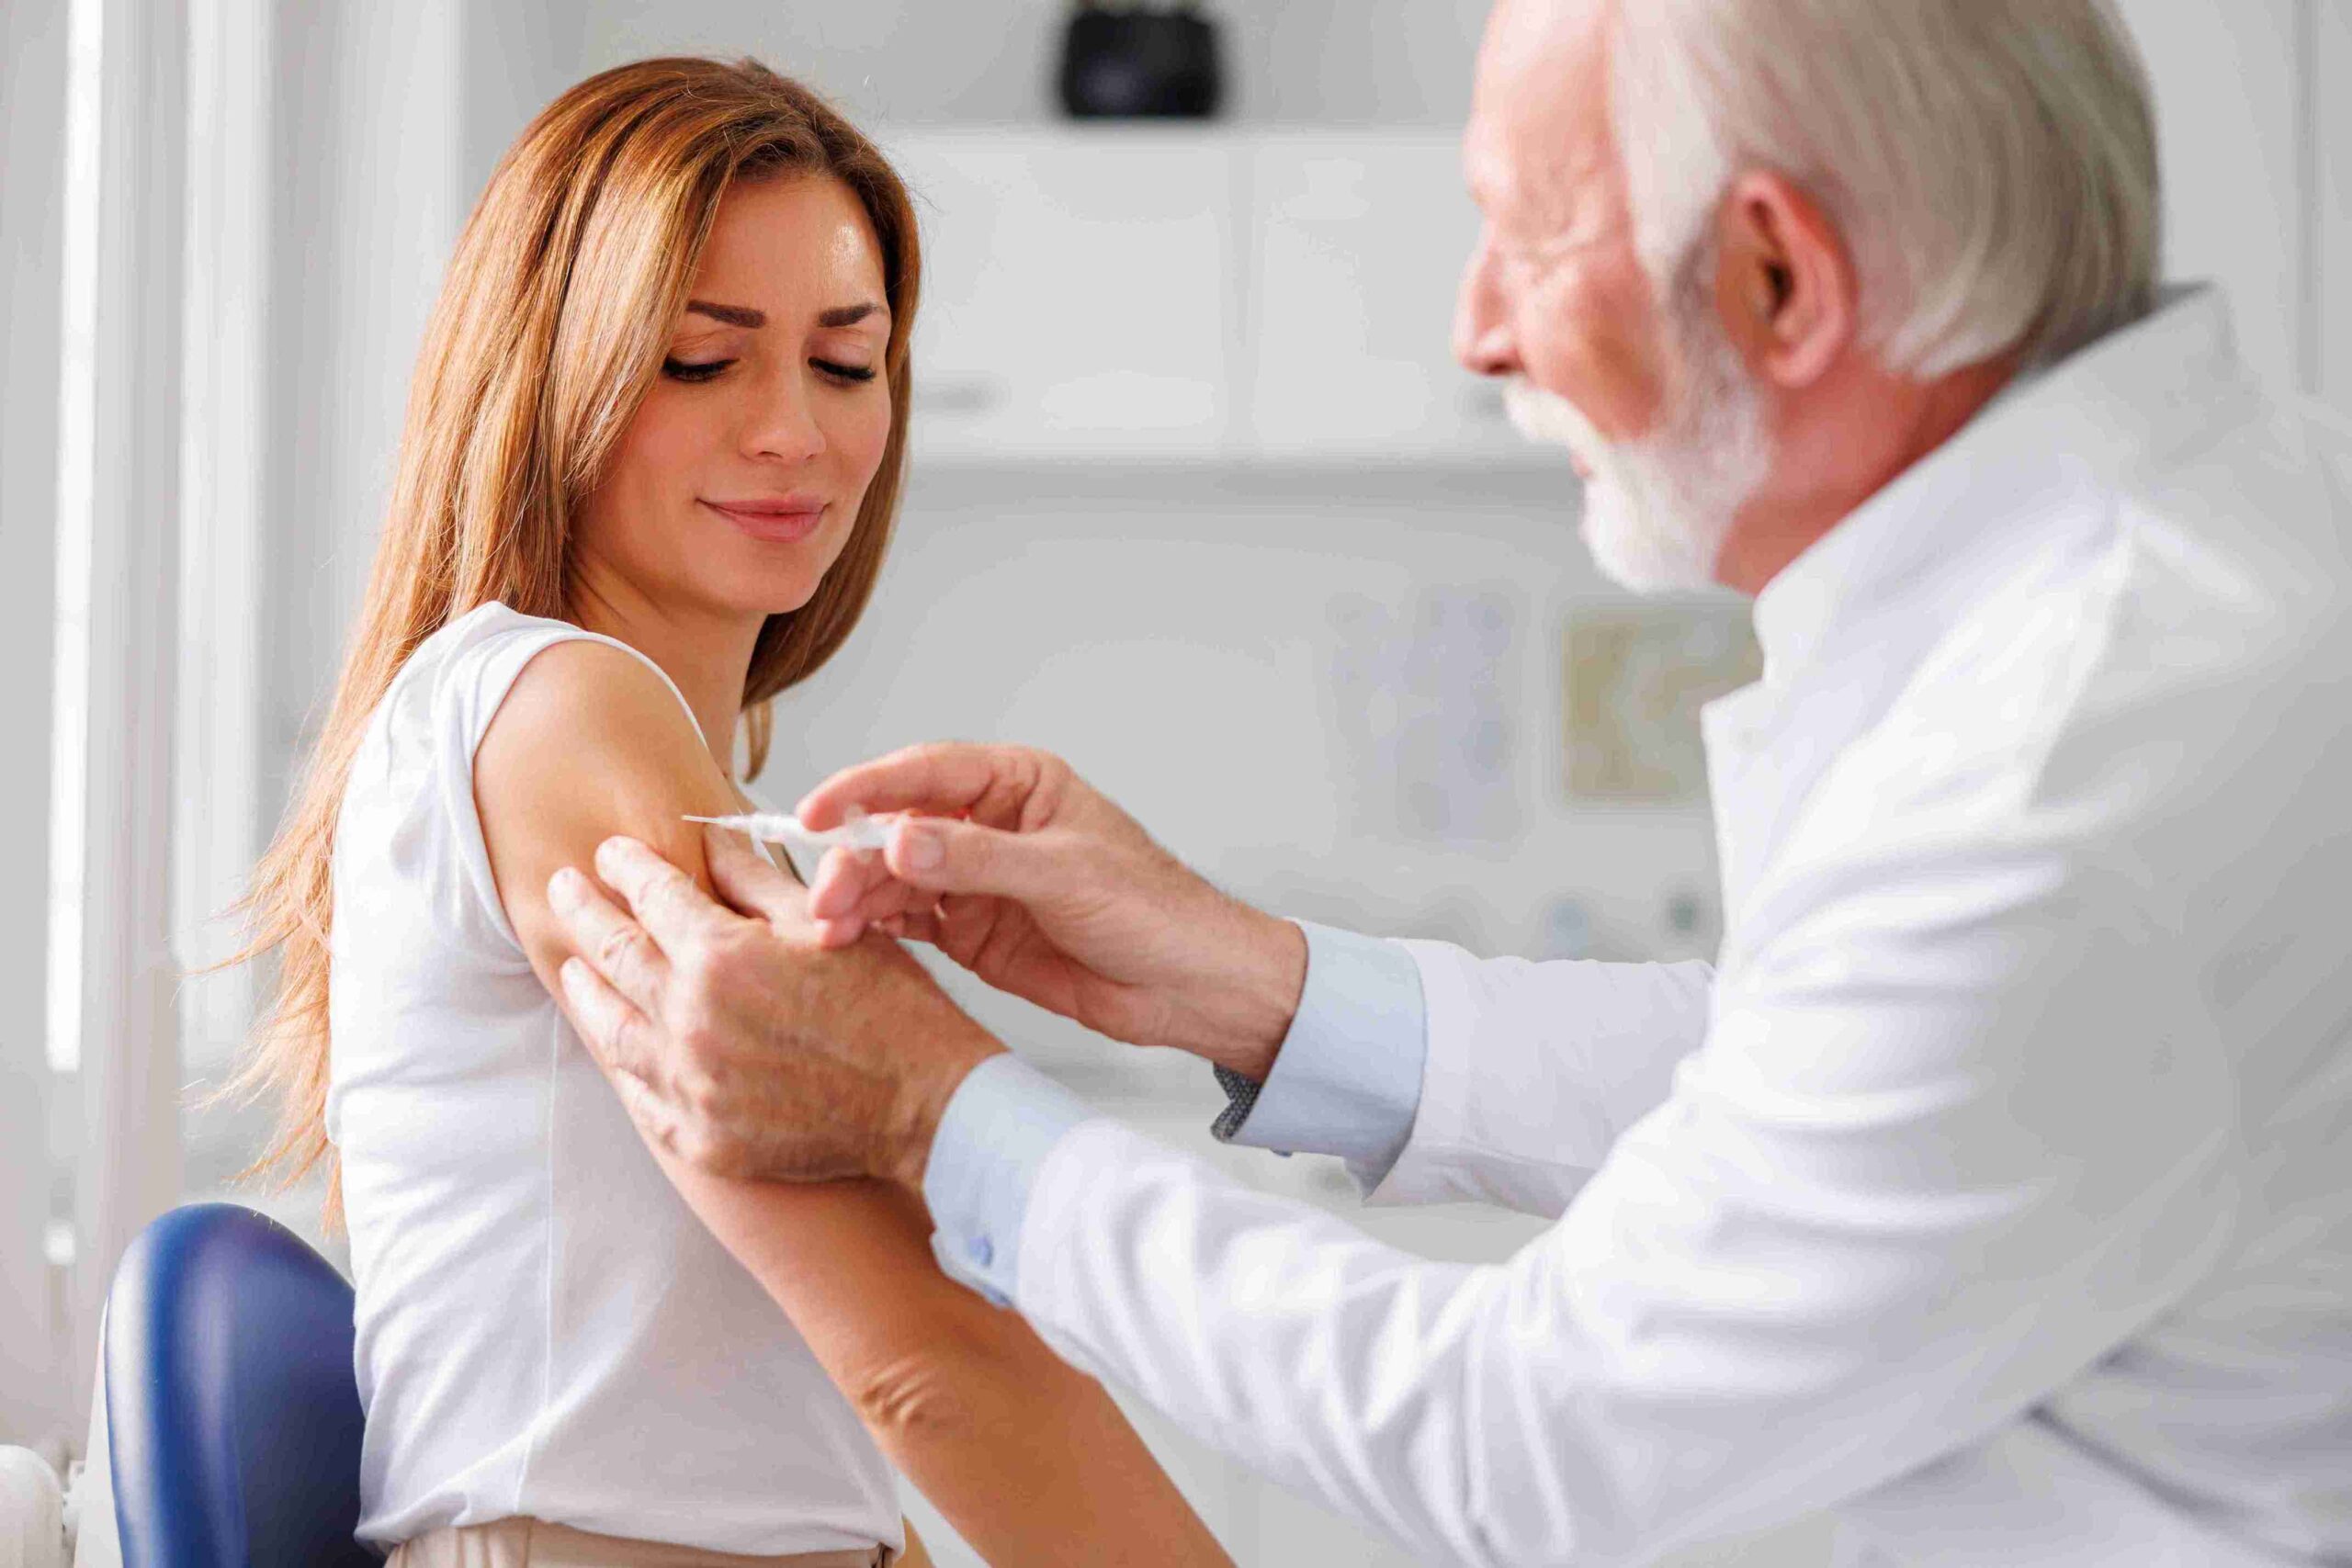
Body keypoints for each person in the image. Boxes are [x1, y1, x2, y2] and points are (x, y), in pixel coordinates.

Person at [545, 3, 2352, 1565]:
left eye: (1523, 236)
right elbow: (1842, 1070)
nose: (1475, 329)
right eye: (705, 358)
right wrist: (1248, 981)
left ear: (1777, 278)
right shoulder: (2232, 549)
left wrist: (933, 1108)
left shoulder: (2064, 785)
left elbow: (1522, 1430)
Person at [226, 57, 1226, 1568]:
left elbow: (758, 1402)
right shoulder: (559, 710)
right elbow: (922, 1360)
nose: (793, 433)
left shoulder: (628, 754)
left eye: (846, 361)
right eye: (704, 361)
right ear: (549, 376)